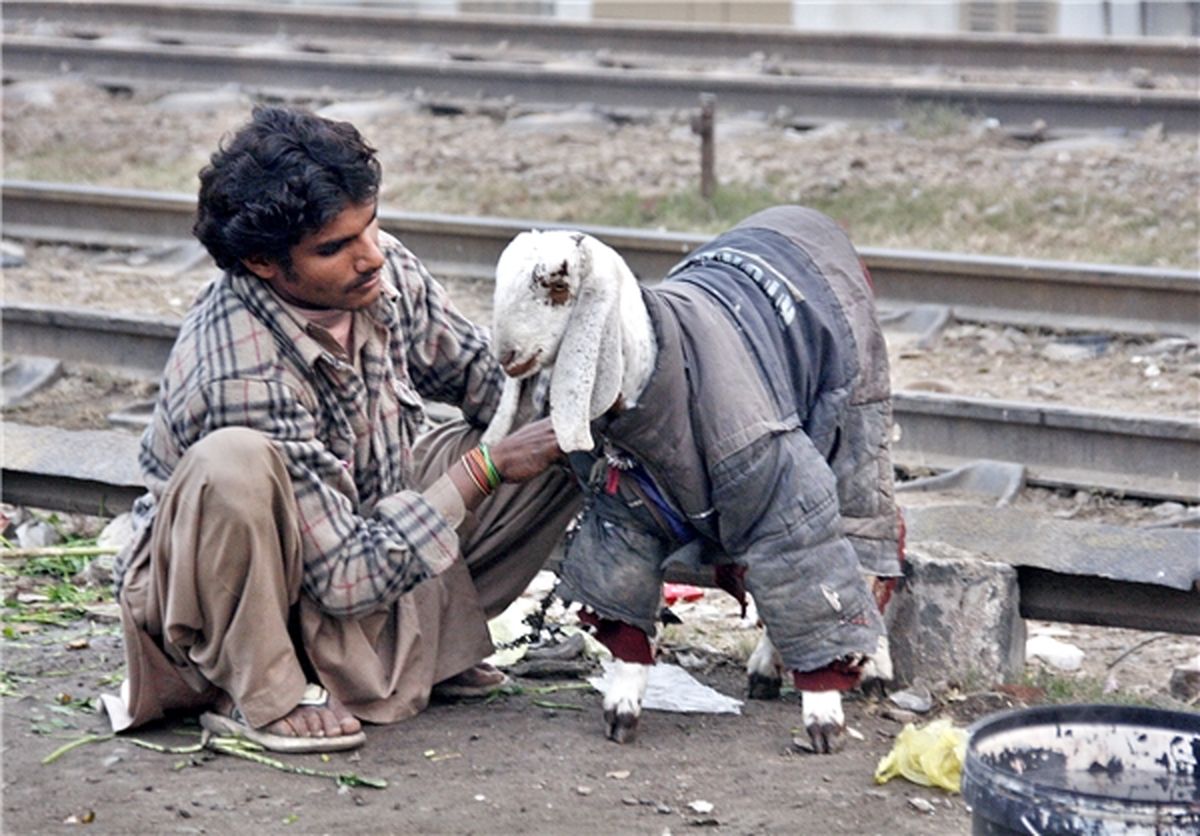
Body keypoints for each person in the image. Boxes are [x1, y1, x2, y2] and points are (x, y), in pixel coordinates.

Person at [101, 105, 579, 753]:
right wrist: (483, 471)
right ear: (266, 263)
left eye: (370, 225)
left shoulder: (380, 273)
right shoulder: (239, 369)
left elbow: (482, 377)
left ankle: (425, 649)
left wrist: (576, 412)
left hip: (351, 538)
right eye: (335, 248)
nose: (370, 256)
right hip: (250, 600)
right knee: (233, 463)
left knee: (556, 434)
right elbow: (345, 580)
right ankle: (265, 693)